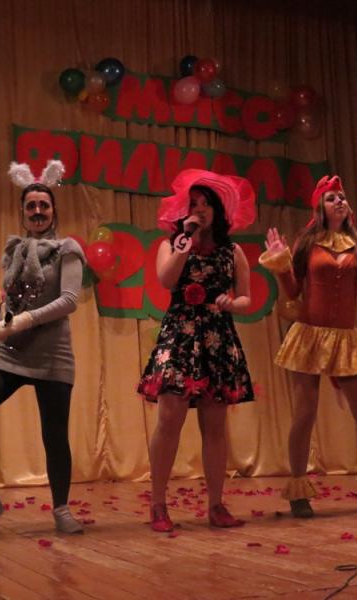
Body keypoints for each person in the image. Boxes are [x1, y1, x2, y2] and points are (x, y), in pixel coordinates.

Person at [0, 160, 87, 538]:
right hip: (12, 352)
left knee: (54, 434)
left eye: (44, 205)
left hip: (53, 354)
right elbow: (8, 312)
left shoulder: (67, 249)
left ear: (54, 210)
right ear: (23, 212)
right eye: (31, 206)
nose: (38, 211)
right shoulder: (15, 254)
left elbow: (70, 300)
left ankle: (61, 508)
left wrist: (25, 320)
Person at [259, 174, 357, 518]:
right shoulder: (308, 242)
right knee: (305, 413)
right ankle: (299, 491)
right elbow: (293, 292)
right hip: (309, 336)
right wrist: (281, 265)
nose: (339, 200)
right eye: (331, 197)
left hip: (345, 338)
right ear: (320, 207)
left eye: (342, 196)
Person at [137, 168, 257, 532]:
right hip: (180, 334)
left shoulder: (232, 251)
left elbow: (246, 297)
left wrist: (233, 303)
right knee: (169, 418)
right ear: (182, 210)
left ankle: (216, 505)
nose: (200, 209)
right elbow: (166, 280)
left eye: (206, 204)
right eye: (193, 204)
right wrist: (184, 244)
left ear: (218, 210)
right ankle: (158, 504)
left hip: (217, 337)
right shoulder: (171, 244)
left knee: (215, 425)